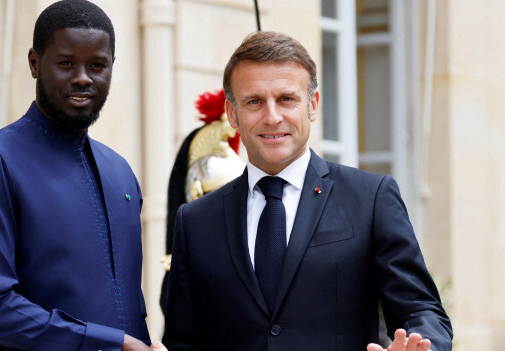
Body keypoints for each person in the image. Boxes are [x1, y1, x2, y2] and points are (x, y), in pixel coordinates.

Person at [162, 31, 452, 351]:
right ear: (232, 113)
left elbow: (421, 310)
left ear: (312, 105)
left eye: (286, 99)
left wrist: (421, 345)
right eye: (254, 101)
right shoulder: (195, 220)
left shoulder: (371, 198)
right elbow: (182, 339)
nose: (272, 117)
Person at [0, 0, 166, 351]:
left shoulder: (121, 173)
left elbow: (127, 305)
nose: (82, 78)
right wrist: (111, 343)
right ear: (35, 63)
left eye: (97, 65)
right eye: (66, 63)